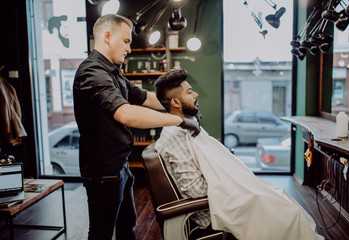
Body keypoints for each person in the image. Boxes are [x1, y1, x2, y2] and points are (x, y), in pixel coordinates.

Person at [154, 69, 325, 240]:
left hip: (221, 199)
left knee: (278, 197)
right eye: (190, 92)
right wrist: (235, 185)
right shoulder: (176, 136)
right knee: (287, 213)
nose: (196, 94)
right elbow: (195, 190)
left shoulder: (185, 126)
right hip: (210, 212)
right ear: (176, 102)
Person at [73, 14, 200, 240]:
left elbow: (145, 98)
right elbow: (125, 113)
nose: (129, 49)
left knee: (127, 227)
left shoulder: (113, 72)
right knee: (101, 233)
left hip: (120, 166)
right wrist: (180, 120)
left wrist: (180, 103)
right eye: (126, 41)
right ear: (107, 36)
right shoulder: (92, 72)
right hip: (103, 172)